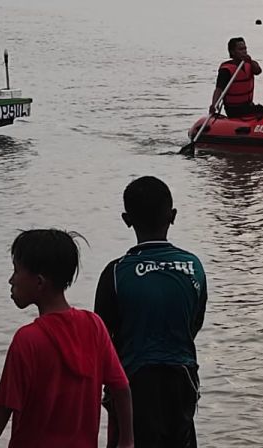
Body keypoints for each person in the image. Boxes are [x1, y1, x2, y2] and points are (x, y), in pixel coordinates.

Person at [0, 229, 134, 448]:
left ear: (39, 282)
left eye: (16, 271)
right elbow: (121, 388)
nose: (11, 279)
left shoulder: (27, 340)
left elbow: (3, 408)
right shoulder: (94, 326)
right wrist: (127, 441)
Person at [95, 176, 208, 448]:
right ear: (173, 216)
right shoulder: (193, 266)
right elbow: (195, 323)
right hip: (183, 380)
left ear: (126, 219)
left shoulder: (116, 272)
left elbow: (101, 340)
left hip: (133, 384)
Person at [211, 37, 263, 118]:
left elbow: (258, 71)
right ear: (233, 52)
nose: (244, 52)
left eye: (245, 49)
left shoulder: (249, 64)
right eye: (241, 49)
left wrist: (250, 61)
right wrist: (214, 104)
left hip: (248, 106)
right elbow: (219, 89)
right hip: (234, 109)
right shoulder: (226, 70)